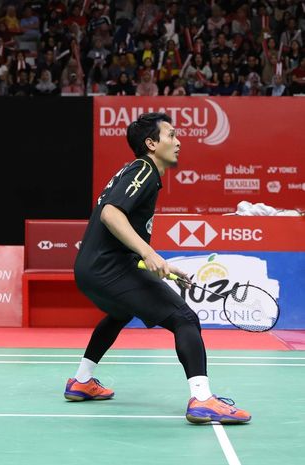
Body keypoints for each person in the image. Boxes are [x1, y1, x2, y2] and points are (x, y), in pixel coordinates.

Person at [66, 113, 251, 425]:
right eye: (171, 136)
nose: (178, 142)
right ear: (151, 144)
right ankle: (203, 399)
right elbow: (111, 215)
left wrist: (159, 265)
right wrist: (148, 252)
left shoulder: (136, 173)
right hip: (108, 268)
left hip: (92, 268)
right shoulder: (143, 169)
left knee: (120, 313)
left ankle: (81, 381)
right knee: (185, 319)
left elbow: (117, 240)